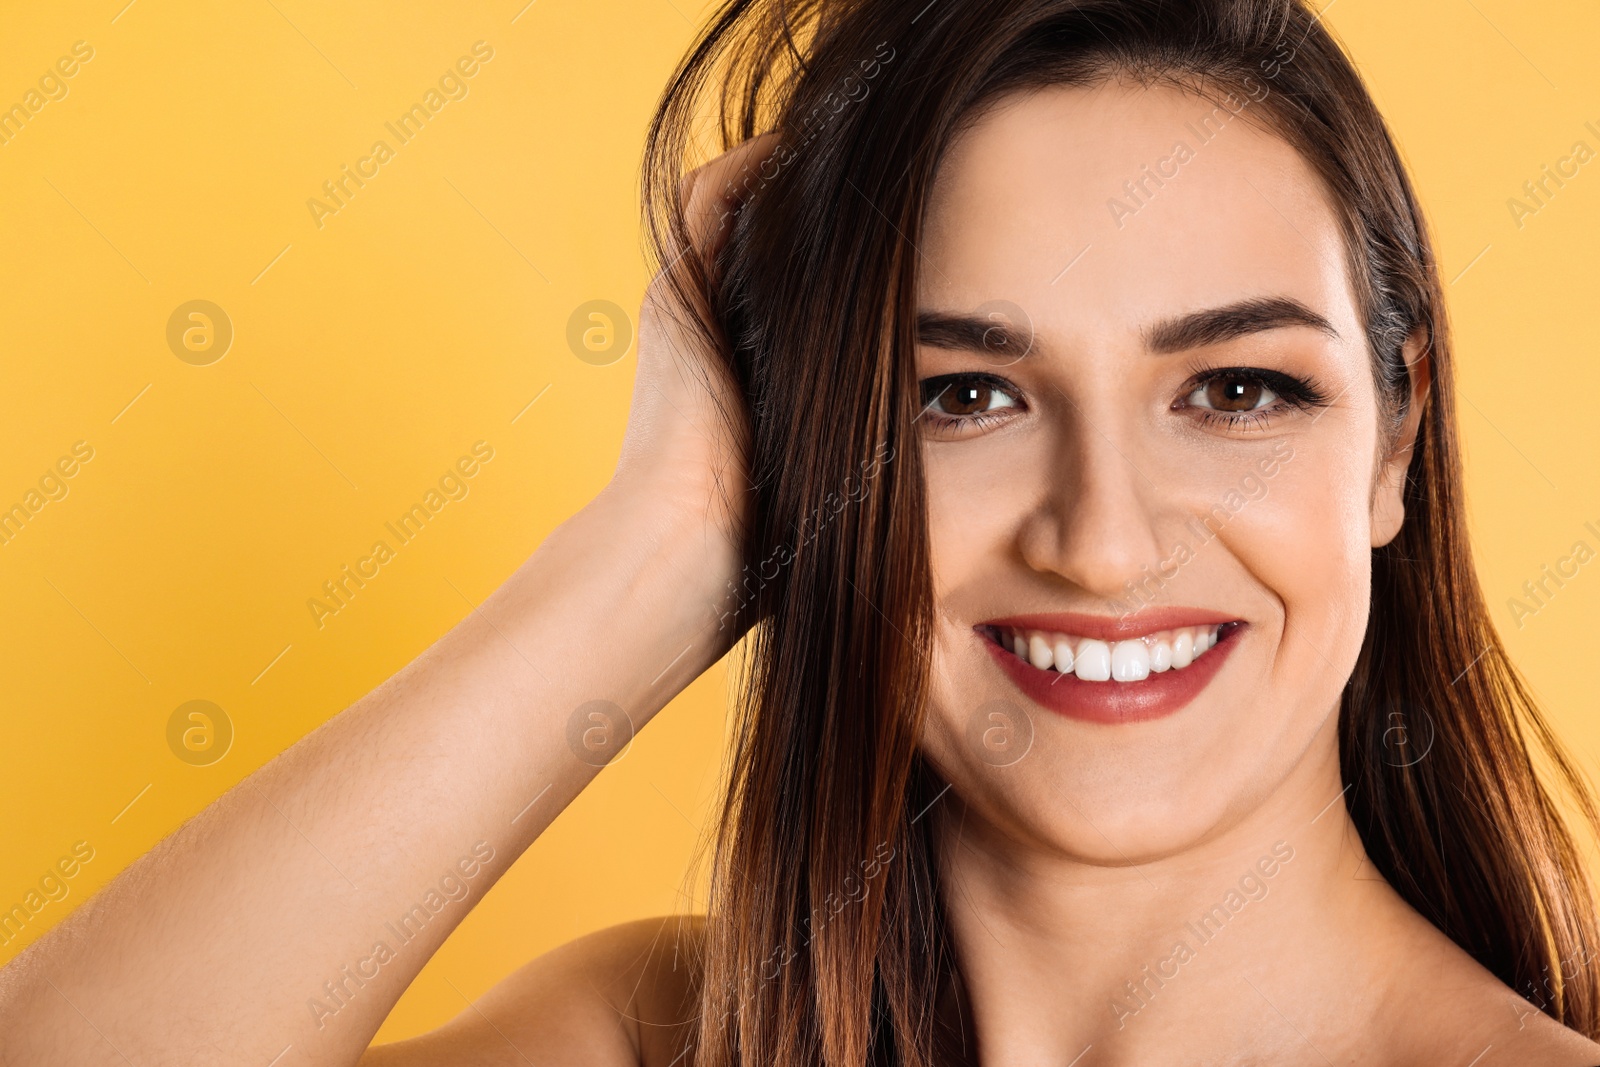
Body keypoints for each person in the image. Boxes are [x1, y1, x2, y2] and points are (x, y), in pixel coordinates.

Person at [5, 0, 1600, 1063]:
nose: (1103, 546)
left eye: (1237, 389)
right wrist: (661, 551)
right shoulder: (653, 1034)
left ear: (1394, 434)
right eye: (962, 399)